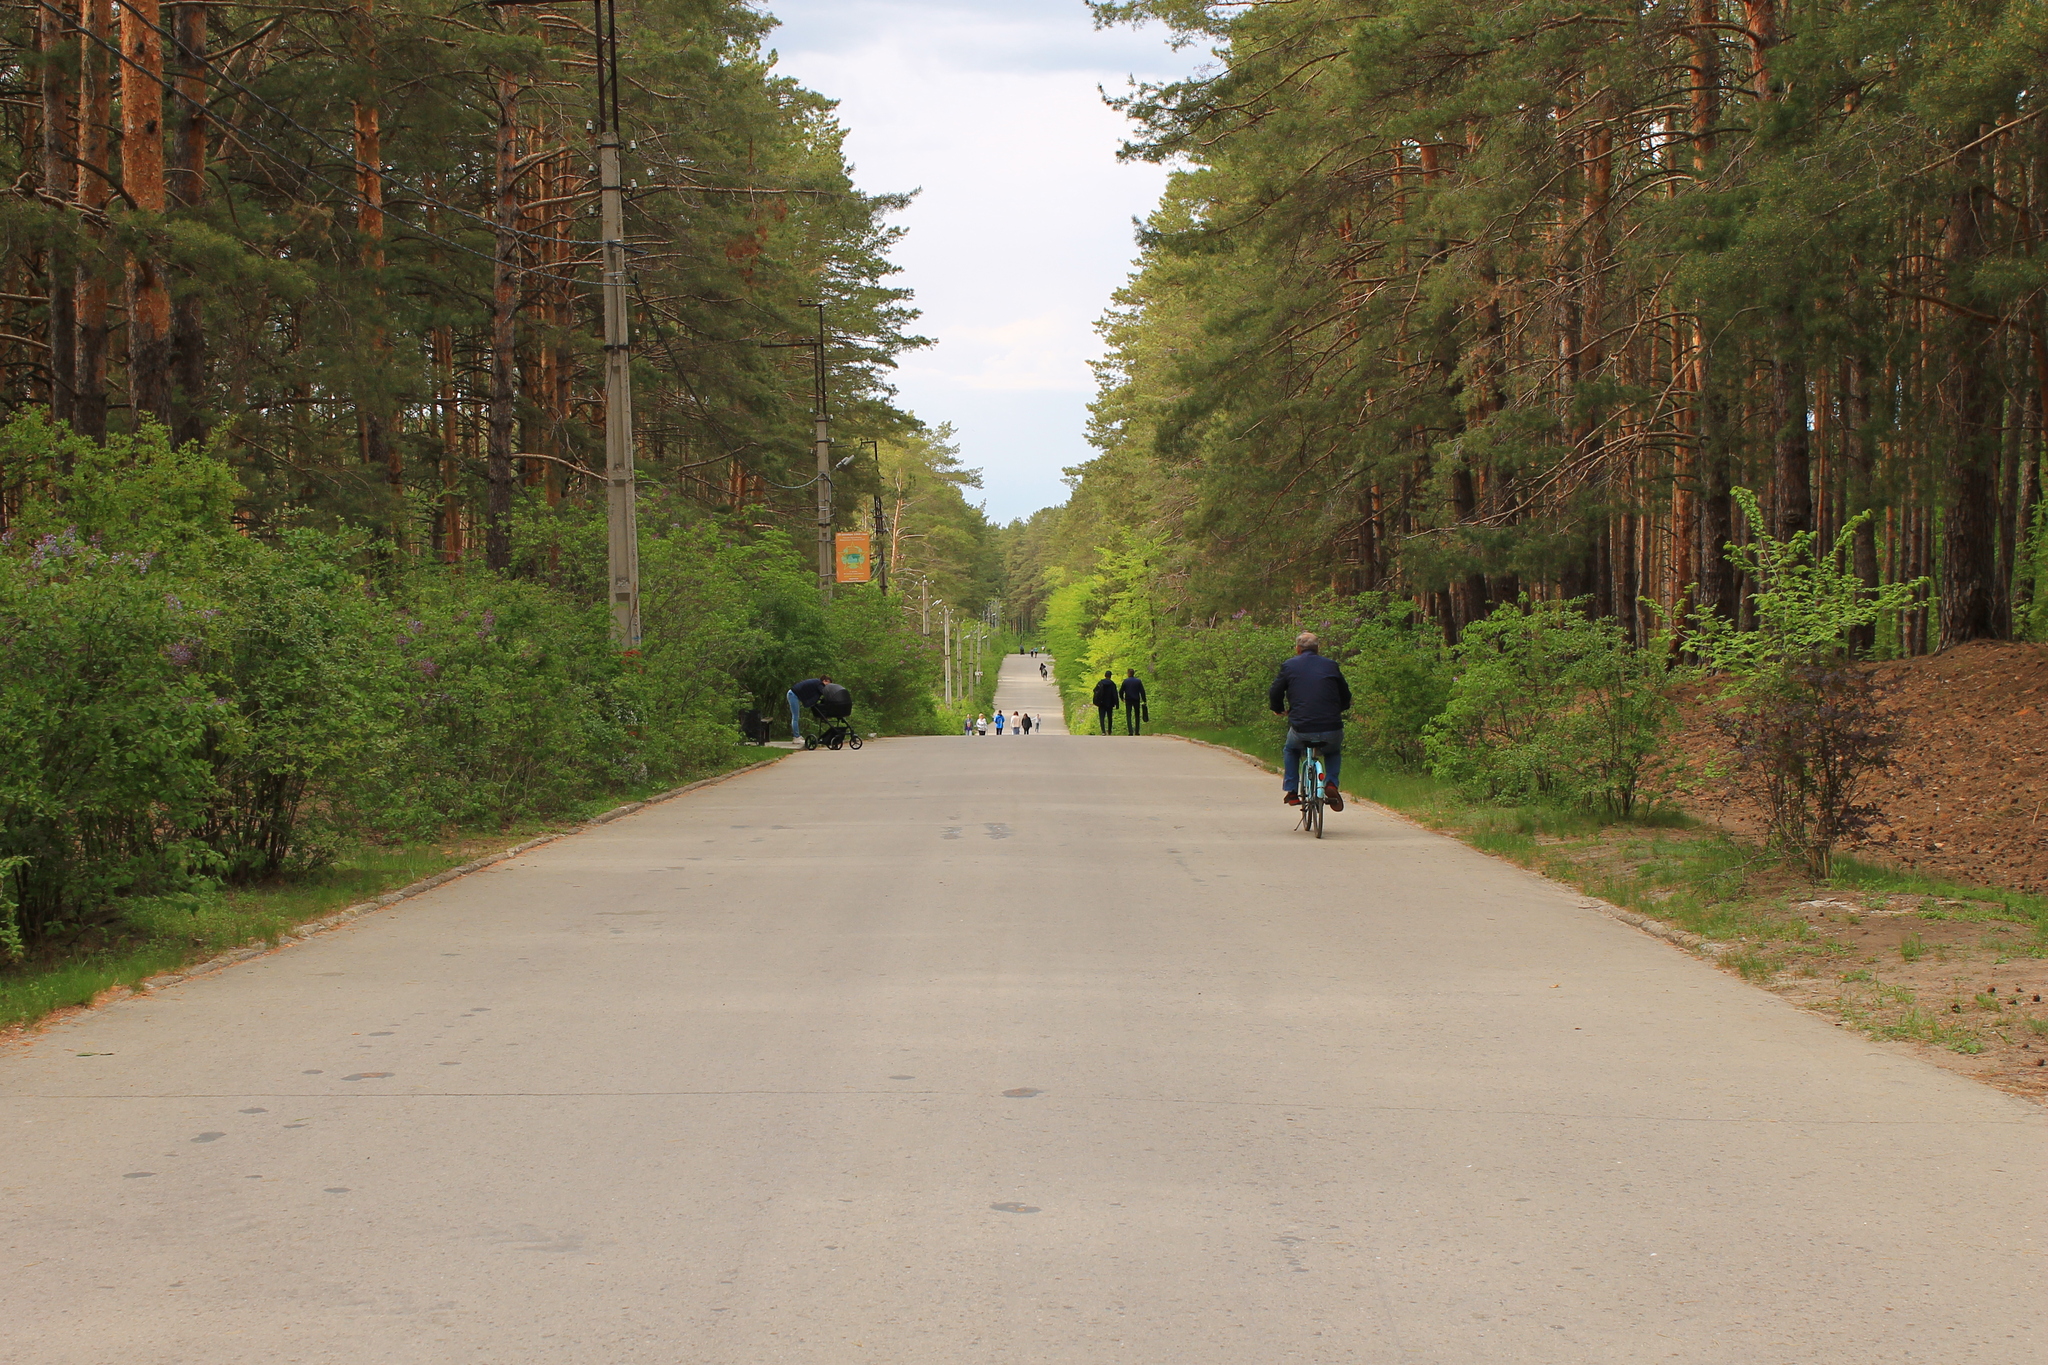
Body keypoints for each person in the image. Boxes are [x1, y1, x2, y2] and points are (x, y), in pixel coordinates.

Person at [1268, 631, 1350, 811]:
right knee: (1333, 751)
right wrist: (1340, 709)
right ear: (1317, 649)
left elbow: (1275, 691)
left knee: (1291, 749)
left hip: (1301, 727)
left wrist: (1278, 709)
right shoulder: (1331, 665)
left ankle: (1291, 791)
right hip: (1331, 726)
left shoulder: (1289, 666)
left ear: (1298, 649)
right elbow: (1345, 693)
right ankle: (1331, 784)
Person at [786, 675, 830, 742]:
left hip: (793, 694)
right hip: (793, 695)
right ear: (824, 681)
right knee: (795, 717)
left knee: (795, 716)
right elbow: (824, 692)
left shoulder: (816, 682)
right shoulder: (819, 684)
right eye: (828, 684)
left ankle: (797, 736)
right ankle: (796, 737)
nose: (827, 686)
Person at [1120, 668, 1147, 735]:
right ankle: (1137, 731)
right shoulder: (1138, 681)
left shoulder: (1125, 681)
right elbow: (1142, 691)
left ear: (1128, 674)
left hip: (1128, 700)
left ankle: (1130, 731)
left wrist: (1122, 698)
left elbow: (1121, 691)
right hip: (1136, 699)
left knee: (1128, 715)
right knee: (1137, 715)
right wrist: (1144, 700)